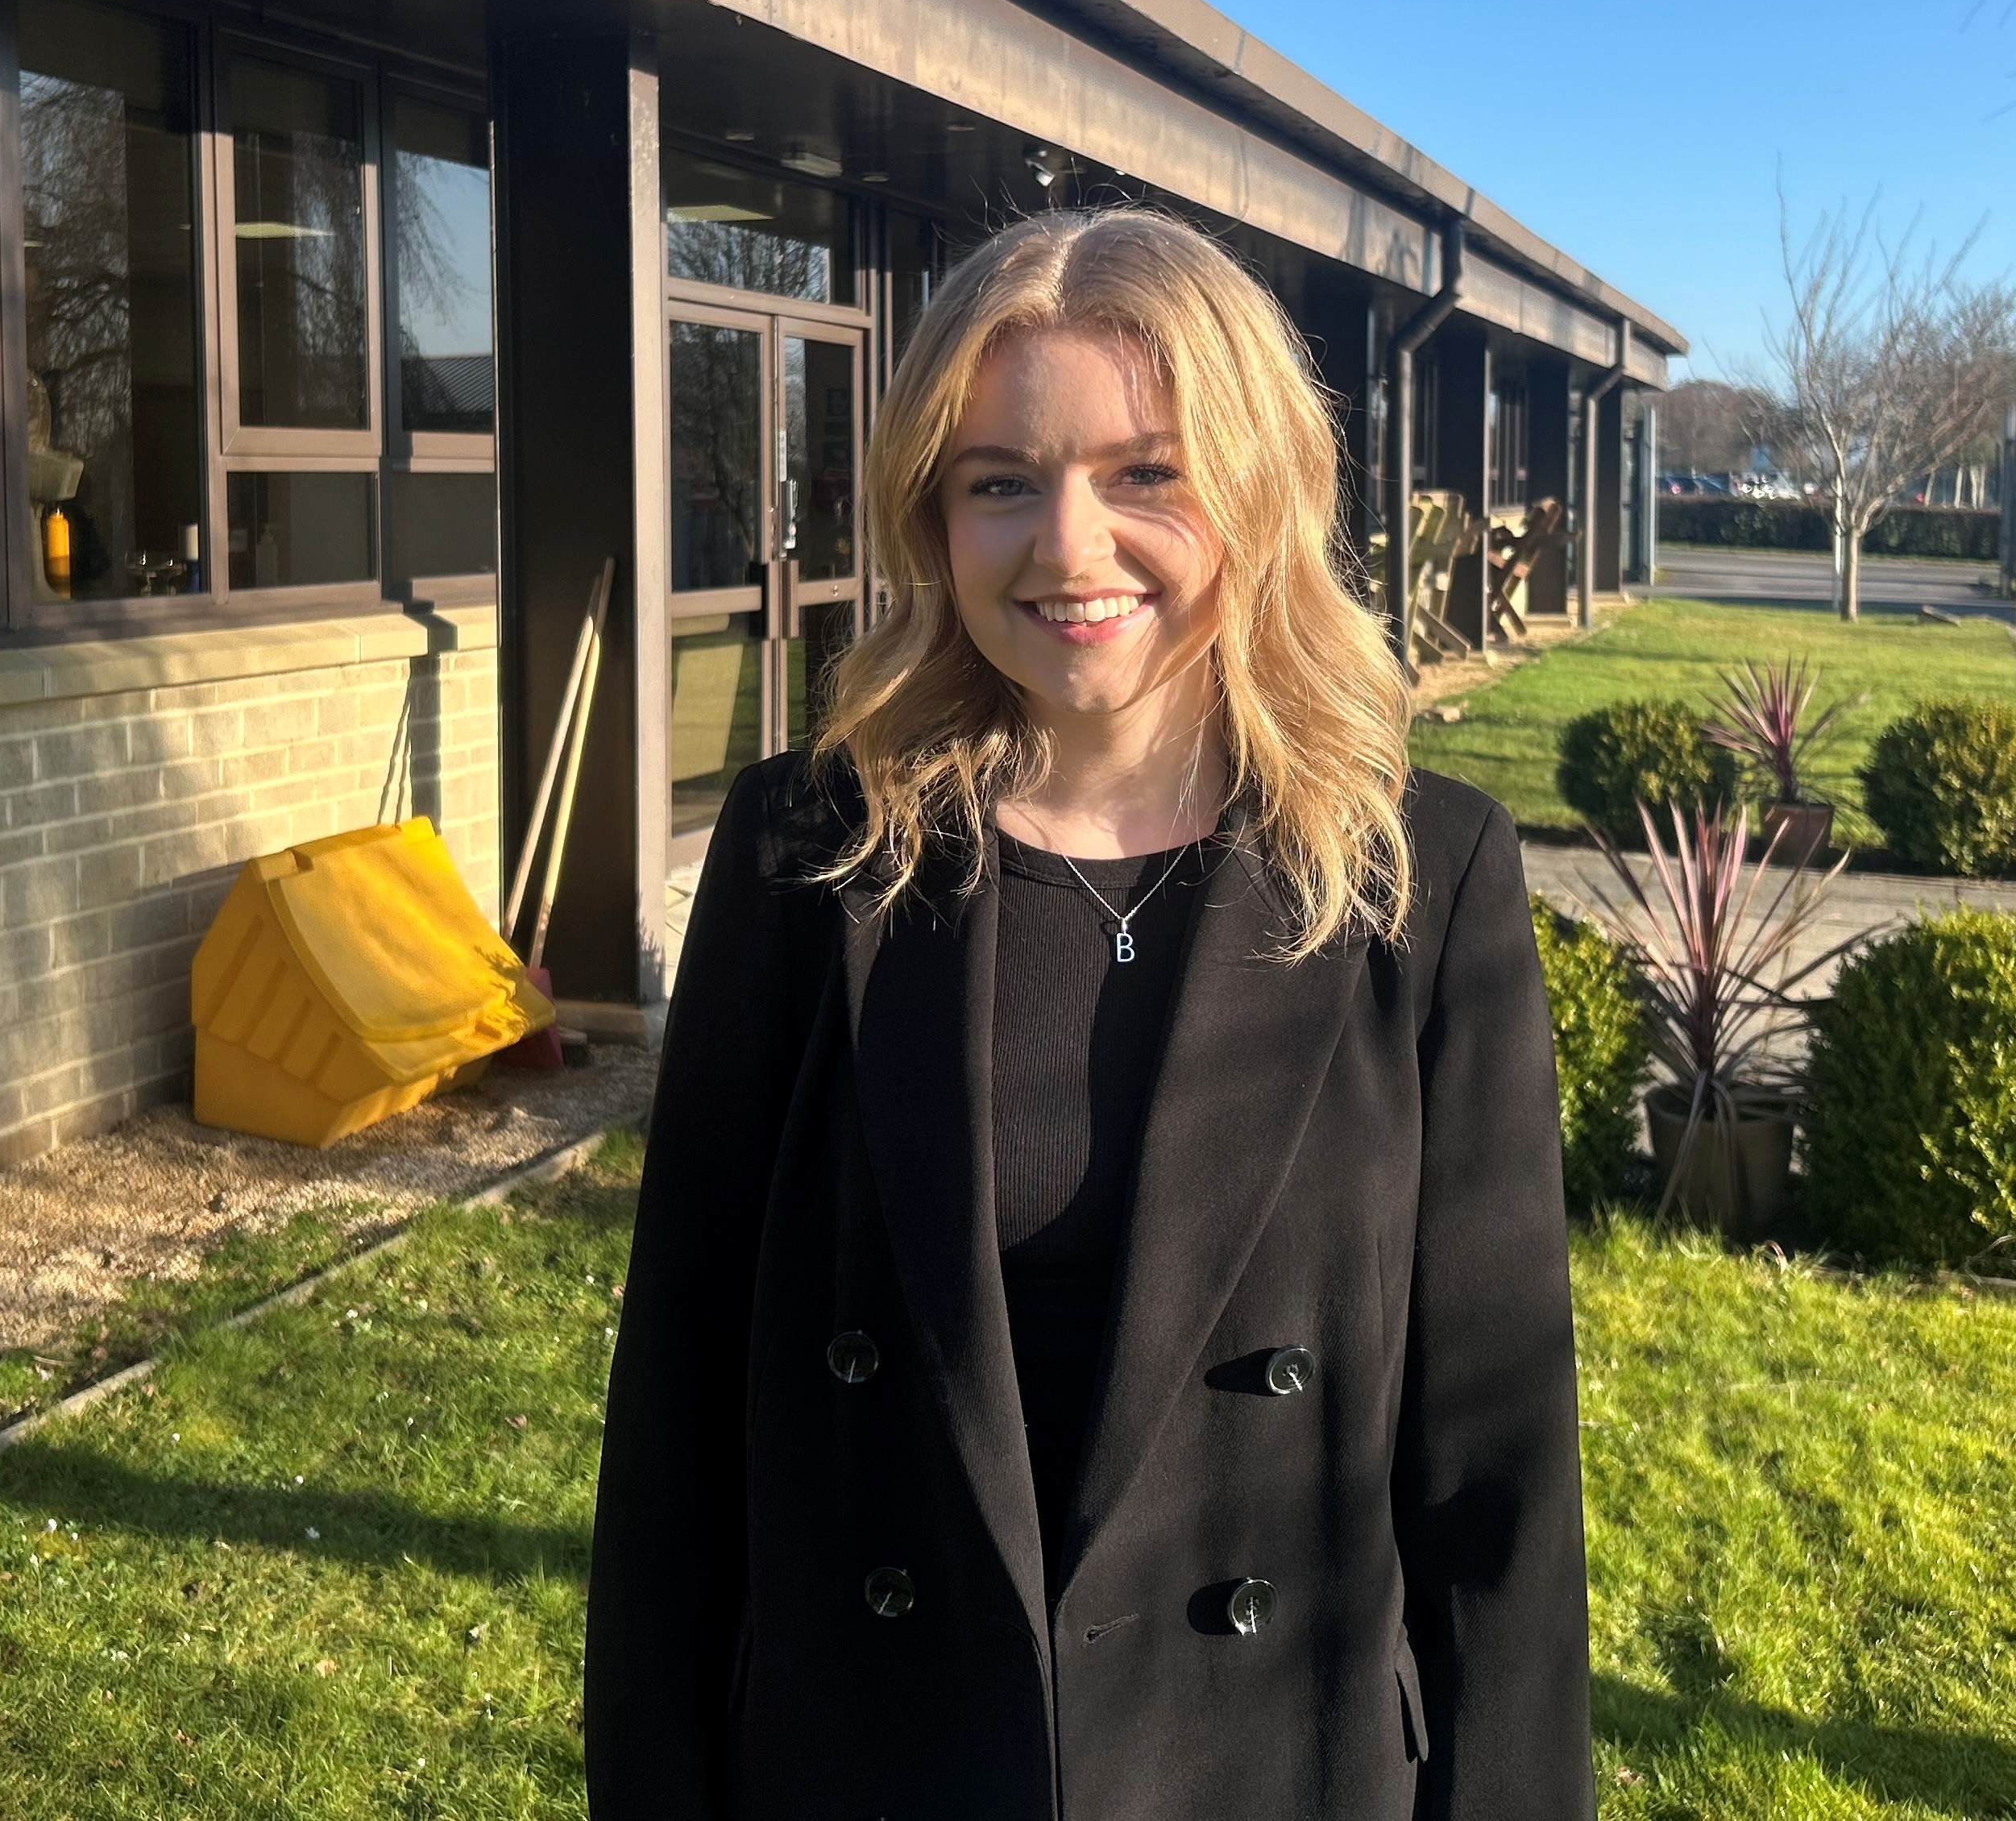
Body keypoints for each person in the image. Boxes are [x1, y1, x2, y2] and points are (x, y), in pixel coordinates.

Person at [587, 206, 1591, 1820]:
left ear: (1259, 494)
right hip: (869, 1767)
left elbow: (1496, 1472)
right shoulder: (807, 853)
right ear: (935, 516)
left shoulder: (1423, 874)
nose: (1067, 546)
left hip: (1277, 1767)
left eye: (1145, 473)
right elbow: (678, 1426)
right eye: (1000, 481)